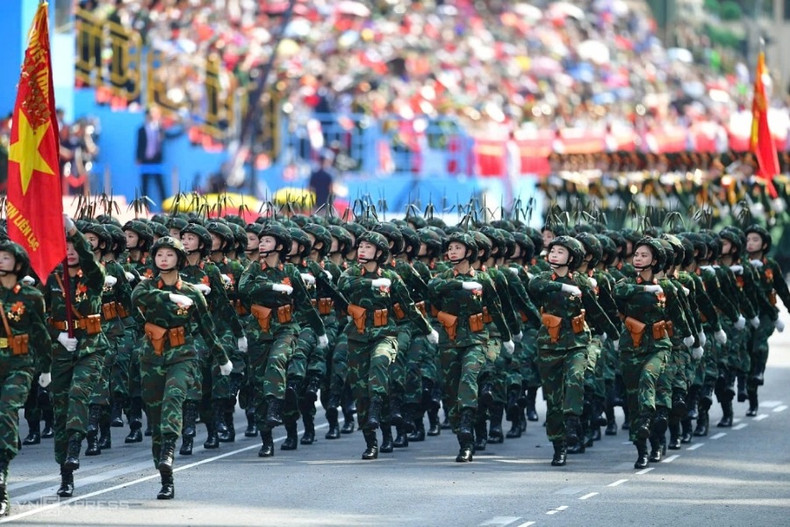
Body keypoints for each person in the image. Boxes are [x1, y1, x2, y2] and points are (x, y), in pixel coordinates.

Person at [132, 236, 232, 500]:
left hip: (182, 354)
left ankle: (168, 451)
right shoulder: (145, 287)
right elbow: (136, 300)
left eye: (169, 254)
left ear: (179, 258)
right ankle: (165, 477)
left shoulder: (192, 292)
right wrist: (167, 296)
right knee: (154, 413)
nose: (163, 259)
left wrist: (222, 358)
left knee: (174, 399)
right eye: (159, 255)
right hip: (152, 356)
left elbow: (207, 327)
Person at [338, 230, 438, 460]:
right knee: (361, 390)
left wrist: (428, 330)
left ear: (380, 252)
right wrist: (371, 284)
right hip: (358, 336)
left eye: (368, 247)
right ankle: (374, 440)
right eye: (360, 246)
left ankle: (377, 409)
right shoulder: (350, 273)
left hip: (386, 333)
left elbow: (409, 306)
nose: (361, 250)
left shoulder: (392, 277)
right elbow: (344, 287)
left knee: (380, 364)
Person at [529, 235, 617, 467]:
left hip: (577, 342)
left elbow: (596, 311)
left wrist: (613, 335)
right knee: (553, 398)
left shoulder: (583, 283)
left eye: (560, 251)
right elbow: (534, 287)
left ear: (572, 258)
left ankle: (572, 420)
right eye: (552, 250)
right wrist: (561, 286)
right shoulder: (542, 278)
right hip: (549, 345)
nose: (554, 254)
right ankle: (559, 446)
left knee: (576, 377)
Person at [44, 215, 111, 498]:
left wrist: (72, 229)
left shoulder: (93, 276)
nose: (69, 252)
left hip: (91, 348)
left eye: (73, 247)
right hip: (61, 350)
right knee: (60, 411)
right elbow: (37, 314)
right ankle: (65, 472)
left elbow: (87, 256)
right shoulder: (50, 279)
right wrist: (56, 334)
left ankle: (75, 445)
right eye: (64, 247)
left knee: (78, 394)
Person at [0, 240, 53, 516]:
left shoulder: (31, 296)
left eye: (6, 257)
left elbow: (41, 335)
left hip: (20, 364)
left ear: (18, 264)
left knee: (7, 412)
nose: (0, 262)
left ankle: (1, 476)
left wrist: (45, 369)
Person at [136, 106, 169, 208]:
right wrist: (138, 157)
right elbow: (139, 144)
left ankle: (165, 205)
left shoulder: (159, 128)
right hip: (145, 160)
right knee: (144, 184)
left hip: (156, 160)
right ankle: (145, 206)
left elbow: (168, 136)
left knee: (160, 183)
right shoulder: (141, 129)